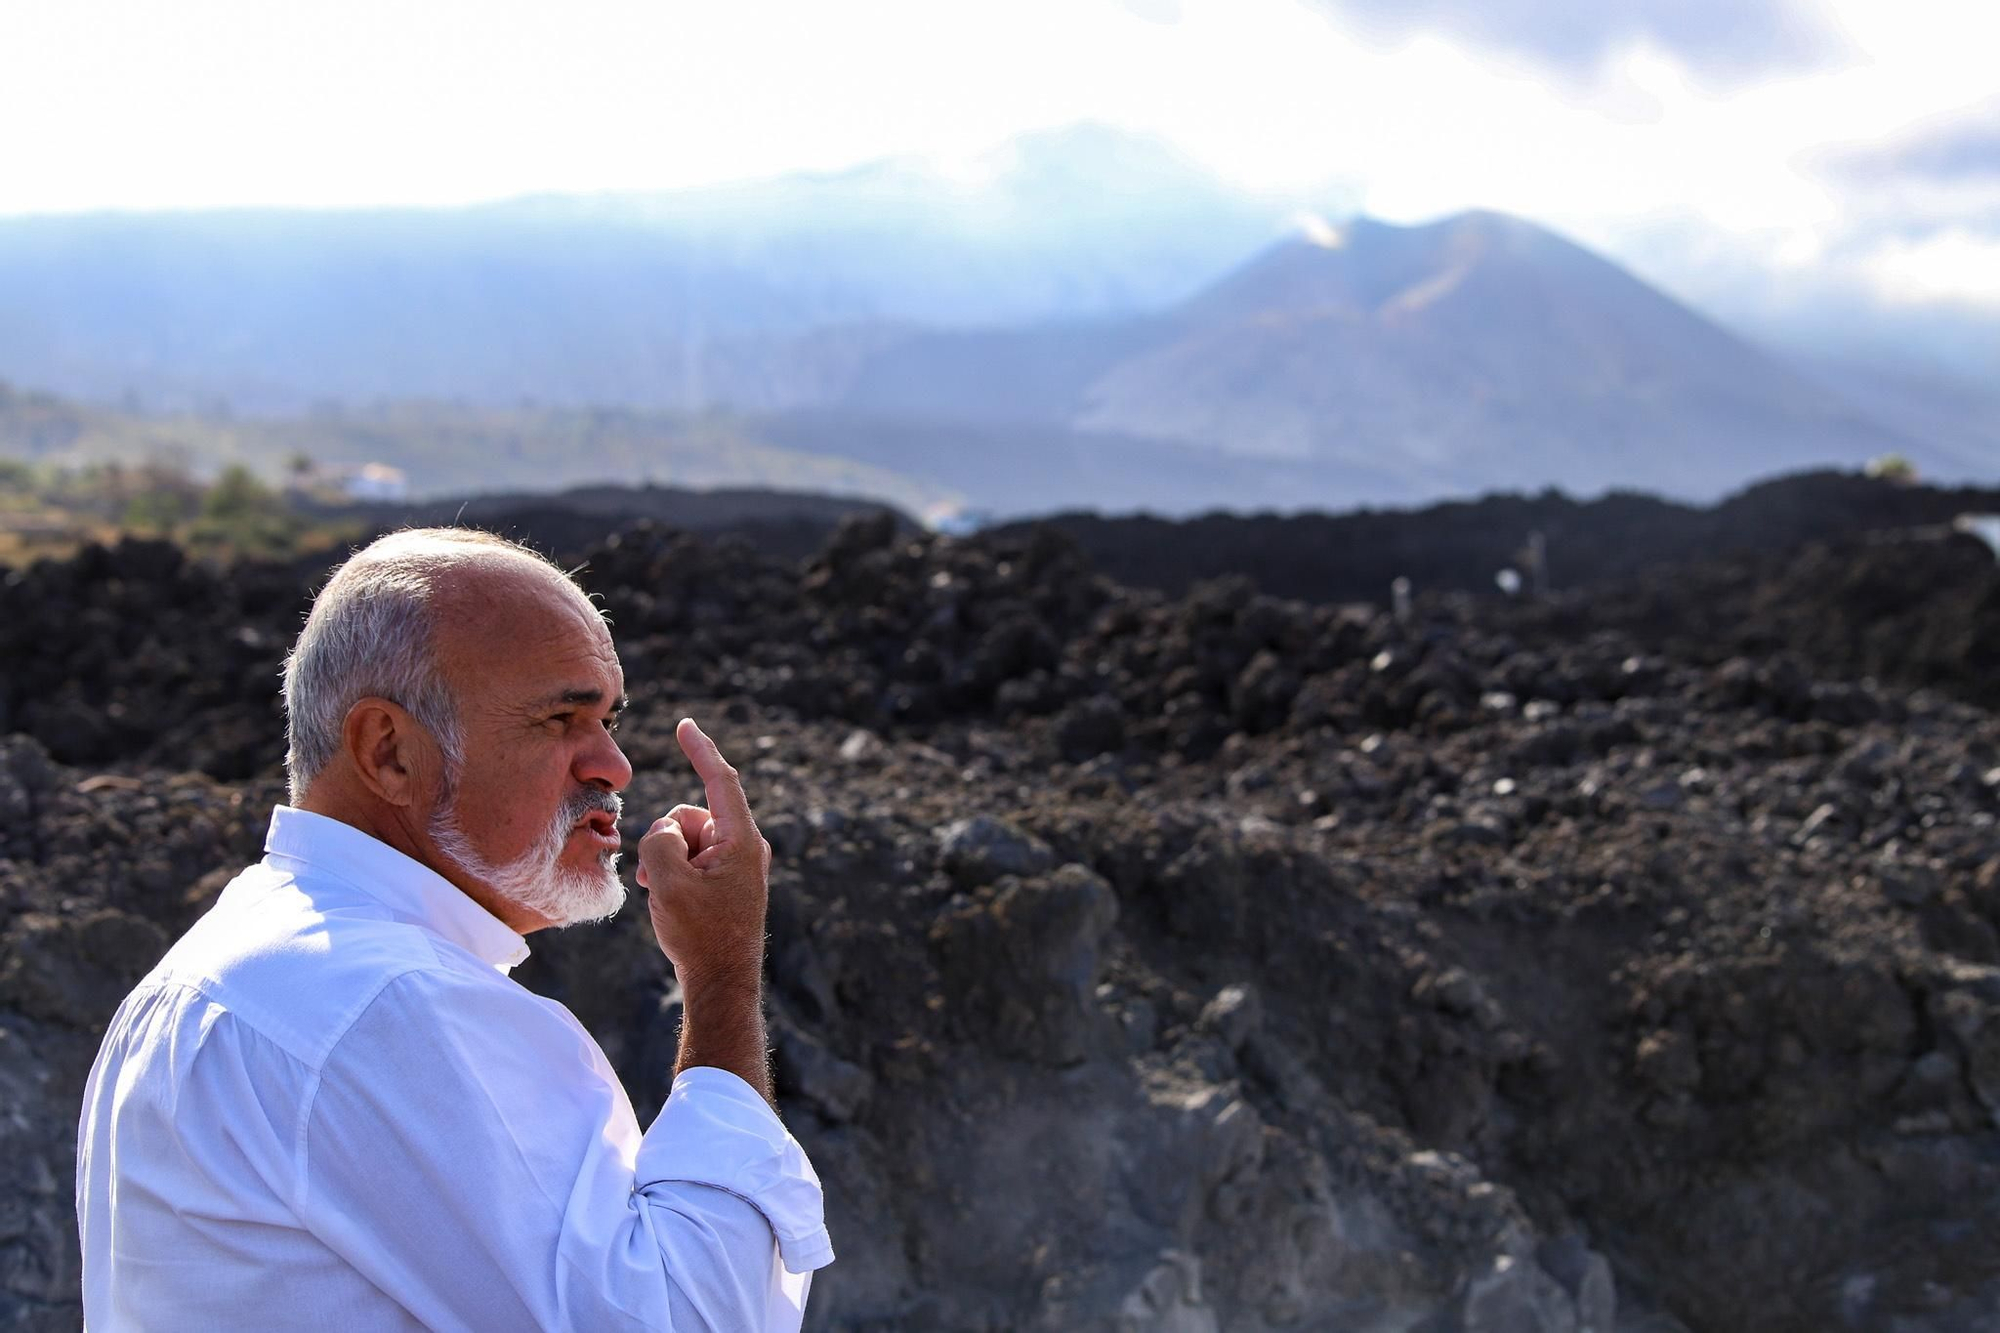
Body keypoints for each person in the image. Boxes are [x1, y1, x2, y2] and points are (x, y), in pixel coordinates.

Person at [74, 528, 831, 1331]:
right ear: (389, 751)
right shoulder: (386, 1002)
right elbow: (683, 1318)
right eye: (560, 718)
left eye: (607, 718)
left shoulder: (228, 965)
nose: (613, 765)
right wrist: (720, 973)